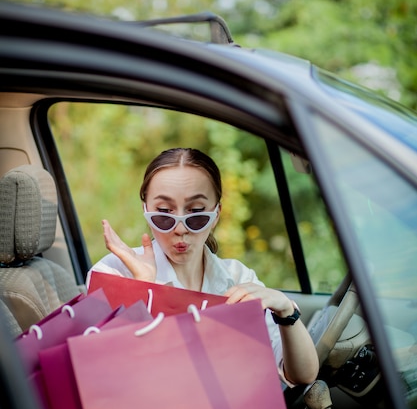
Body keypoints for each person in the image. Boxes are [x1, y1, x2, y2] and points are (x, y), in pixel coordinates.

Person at [88, 148, 319, 387]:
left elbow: (303, 375)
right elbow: (103, 376)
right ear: (146, 210)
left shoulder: (237, 278)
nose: (180, 229)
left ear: (216, 213)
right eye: (164, 213)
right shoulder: (114, 272)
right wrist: (144, 288)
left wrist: (285, 310)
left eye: (196, 213)